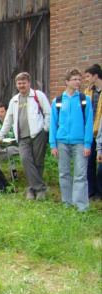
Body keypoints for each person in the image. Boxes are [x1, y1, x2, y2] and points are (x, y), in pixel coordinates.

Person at [0, 72, 50, 200]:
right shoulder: (14, 100)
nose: (21, 86)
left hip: (38, 134)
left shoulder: (38, 96)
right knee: (26, 161)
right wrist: (1, 135)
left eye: (24, 83)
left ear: (29, 83)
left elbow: (48, 113)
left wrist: (45, 129)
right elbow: (8, 120)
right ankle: (40, 187)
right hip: (22, 137)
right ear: (16, 84)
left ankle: (32, 190)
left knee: (38, 162)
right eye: (19, 83)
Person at [50, 68, 93, 211]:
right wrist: (53, 145)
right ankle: (67, 203)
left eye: (80, 79)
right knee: (64, 173)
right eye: (75, 79)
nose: (78, 82)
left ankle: (81, 206)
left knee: (80, 174)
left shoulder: (84, 100)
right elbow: (52, 124)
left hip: (80, 143)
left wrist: (87, 144)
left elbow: (89, 123)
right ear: (66, 81)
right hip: (61, 142)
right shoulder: (57, 101)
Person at [84, 63, 102, 200]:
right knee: (89, 162)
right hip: (90, 132)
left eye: (88, 76)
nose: (87, 79)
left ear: (96, 76)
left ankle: (100, 192)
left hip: (100, 131)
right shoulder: (87, 92)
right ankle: (92, 191)